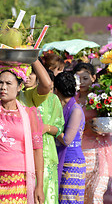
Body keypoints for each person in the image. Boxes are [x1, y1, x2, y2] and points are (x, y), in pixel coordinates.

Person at [0, 65, 45, 204]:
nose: (3, 87)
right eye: (0, 82)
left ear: (19, 87)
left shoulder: (29, 113)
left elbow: (37, 151)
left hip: (19, 180)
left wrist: (39, 186)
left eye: (8, 83)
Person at [73, 63, 112, 203]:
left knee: (96, 192)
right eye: (78, 79)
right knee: (82, 195)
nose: (81, 82)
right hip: (79, 152)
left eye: (85, 78)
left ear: (94, 78)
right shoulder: (71, 100)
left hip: (100, 151)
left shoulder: (102, 97)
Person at [25, 68, 64, 204]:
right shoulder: (18, 96)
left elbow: (59, 127)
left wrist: (45, 128)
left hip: (47, 156)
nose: (27, 77)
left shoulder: (53, 99)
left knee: (46, 197)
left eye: (31, 73)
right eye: (25, 72)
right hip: (24, 155)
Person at [54, 72, 86, 203]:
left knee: (69, 200)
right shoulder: (61, 108)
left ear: (56, 90)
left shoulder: (75, 109)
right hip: (62, 159)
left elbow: (67, 140)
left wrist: (51, 129)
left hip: (72, 163)